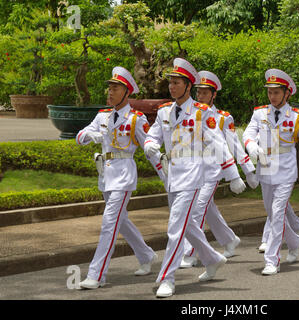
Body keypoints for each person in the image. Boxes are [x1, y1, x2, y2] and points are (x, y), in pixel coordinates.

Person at [144, 58, 246, 297]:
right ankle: (212, 258)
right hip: (172, 176)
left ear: (188, 86)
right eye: (170, 82)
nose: (172, 86)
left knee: (175, 227)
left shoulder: (201, 113)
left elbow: (218, 143)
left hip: (192, 176)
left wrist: (233, 174)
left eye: (177, 82)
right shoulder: (164, 112)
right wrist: (150, 145)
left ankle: (167, 278)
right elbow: (152, 136)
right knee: (187, 225)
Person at [75, 67, 165, 289]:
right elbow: (79, 137)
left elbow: (149, 148)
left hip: (124, 175)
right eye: (109, 88)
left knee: (109, 223)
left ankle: (97, 274)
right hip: (105, 174)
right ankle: (145, 255)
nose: (110, 92)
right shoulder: (102, 115)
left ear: (126, 93)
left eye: (115, 88)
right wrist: (89, 135)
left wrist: (165, 175)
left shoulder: (136, 119)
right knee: (120, 220)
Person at [243, 69, 299, 275]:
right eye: (270, 92)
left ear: (287, 93)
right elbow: (247, 133)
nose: (272, 96)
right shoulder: (260, 113)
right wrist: (251, 146)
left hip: (286, 169)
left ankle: (271, 260)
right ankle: (294, 240)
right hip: (266, 168)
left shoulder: (297, 117)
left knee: (278, 212)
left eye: (277, 92)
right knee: (272, 213)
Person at [179, 70, 259, 268]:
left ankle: (188, 253)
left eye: (205, 93)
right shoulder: (190, 113)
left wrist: (247, 171)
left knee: (197, 210)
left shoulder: (223, 118)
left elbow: (234, 145)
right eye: (198, 92)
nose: (201, 96)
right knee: (208, 210)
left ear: (214, 95)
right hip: (193, 169)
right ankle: (229, 239)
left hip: (213, 170)